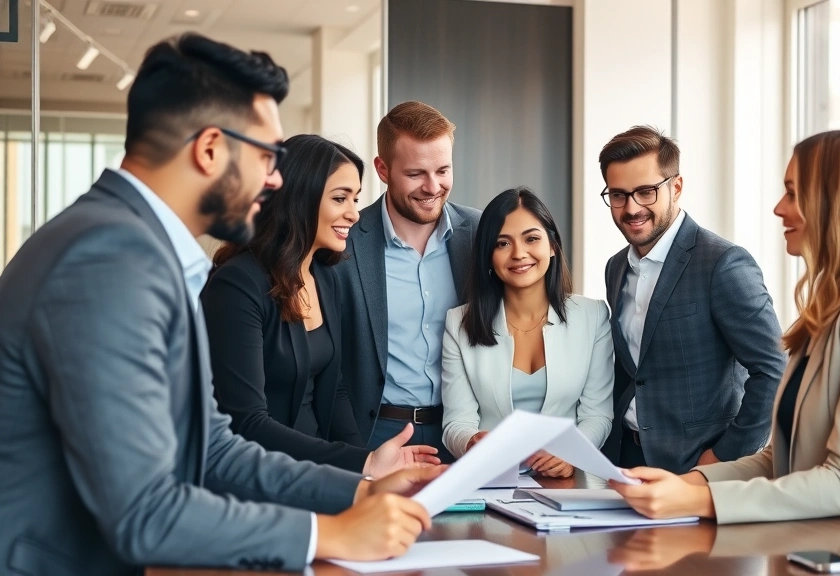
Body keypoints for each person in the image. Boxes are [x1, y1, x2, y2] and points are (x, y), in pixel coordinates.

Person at [0, 34, 442, 576]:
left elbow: (213, 448)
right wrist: (329, 532)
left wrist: (357, 489)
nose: (277, 178)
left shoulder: (139, 248)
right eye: (266, 156)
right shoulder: (108, 260)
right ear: (210, 148)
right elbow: (144, 511)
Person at [610, 129, 840, 533]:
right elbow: (783, 459)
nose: (779, 208)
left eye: (794, 193)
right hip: (828, 538)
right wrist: (687, 482)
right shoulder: (834, 305)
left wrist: (698, 497)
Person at [202, 134, 440, 478]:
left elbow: (336, 391)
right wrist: (359, 464)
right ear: (299, 198)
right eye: (340, 198)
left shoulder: (325, 277)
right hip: (262, 481)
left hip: (319, 475)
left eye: (355, 199)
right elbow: (247, 421)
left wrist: (368, 469)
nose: (354, 214)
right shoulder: (237, 285)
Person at [598, 125, 786, 473]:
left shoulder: (723, 263)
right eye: (619, 195)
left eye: (646, 192)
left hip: (696, 466)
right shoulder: (615, 268)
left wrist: (720, 459)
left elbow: (774, 369)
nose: (631, 207)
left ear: (677, 187)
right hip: (625, 461)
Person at [334, 101, 481, 462]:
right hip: (375, 435)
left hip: (463, 434)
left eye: (443, 170)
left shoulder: (480, 234)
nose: (433, 187)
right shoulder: (346, 241)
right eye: (416, 173)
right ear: (383, 170)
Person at [441, 187, 614, 476]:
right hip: (491, 479)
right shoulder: (459, 323)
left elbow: (597, 415)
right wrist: (470, 442)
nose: (519, 254)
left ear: (552, 245)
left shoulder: (593, 317)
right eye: (502, 244)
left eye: (532, 238)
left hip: (567, 484)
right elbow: (456, 422)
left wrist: (572, 454)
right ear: (488, 256)